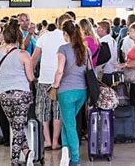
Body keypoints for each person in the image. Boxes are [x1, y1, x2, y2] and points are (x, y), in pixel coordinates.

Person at [0, 19, 35, 166]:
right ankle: (14, 161)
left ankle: (27, 152)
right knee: (18, 129)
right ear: (19, 37)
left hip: (3, 94)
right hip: (21, 94)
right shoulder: (23, 54)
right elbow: (30, 77)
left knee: (16, 127)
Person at [50, 20, 90, 166]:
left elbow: (60, 70)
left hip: (66, 92)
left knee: (70, 125)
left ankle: (75, 159)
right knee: (68, 122)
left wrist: (54, 85)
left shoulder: (63, 48)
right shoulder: (85, 49)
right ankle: (65, 154)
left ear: (65, 33)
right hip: (82, 91)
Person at [31, 14, 71, 151]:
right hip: (60, 79)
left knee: (43, 111)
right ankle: (55, 142)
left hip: (44, 79)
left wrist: (30, 75)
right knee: (58, 111)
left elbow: (34, 58)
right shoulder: (65, 38)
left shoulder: (43, 37)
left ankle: (47, 141)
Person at [97, 21, 118, 86]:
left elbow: (103, 58)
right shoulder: (111, 39)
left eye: (99, 28)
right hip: (112, 70)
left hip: (105, 72)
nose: (97, 29)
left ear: (104, 30)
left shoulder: (103, 42)